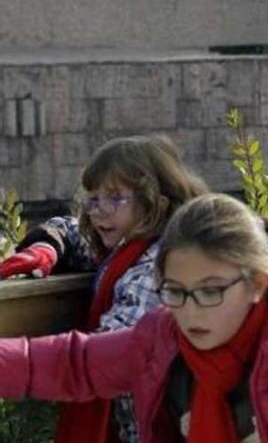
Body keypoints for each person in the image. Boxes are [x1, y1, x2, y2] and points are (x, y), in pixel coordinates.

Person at [0, 194, 268, 442]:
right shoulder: (160, 337)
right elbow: (74, 362)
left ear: (257, 282)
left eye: (211, 291)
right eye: (175, 292)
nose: (191, 309)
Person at [0, 135, 209, 443]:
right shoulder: (133, 244)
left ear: (155, 203)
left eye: (114, 198)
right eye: (93, 198)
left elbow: (99, 360)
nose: (97, 211)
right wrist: (47, 246)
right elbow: (72, 229)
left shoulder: (154, 271)